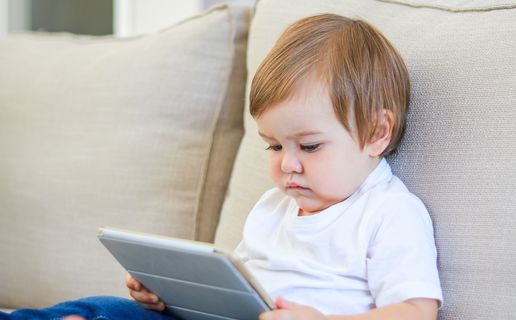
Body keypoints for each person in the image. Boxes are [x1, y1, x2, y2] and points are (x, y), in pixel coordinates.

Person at [1, 13, 442, 320]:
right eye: (272, 147)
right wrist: (168, 295)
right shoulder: (274, 208)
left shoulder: (388, 213)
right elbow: (232, 293)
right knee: (100, 310)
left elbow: (417, 311)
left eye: (309, 146)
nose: (288, 164)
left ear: (377, 133)